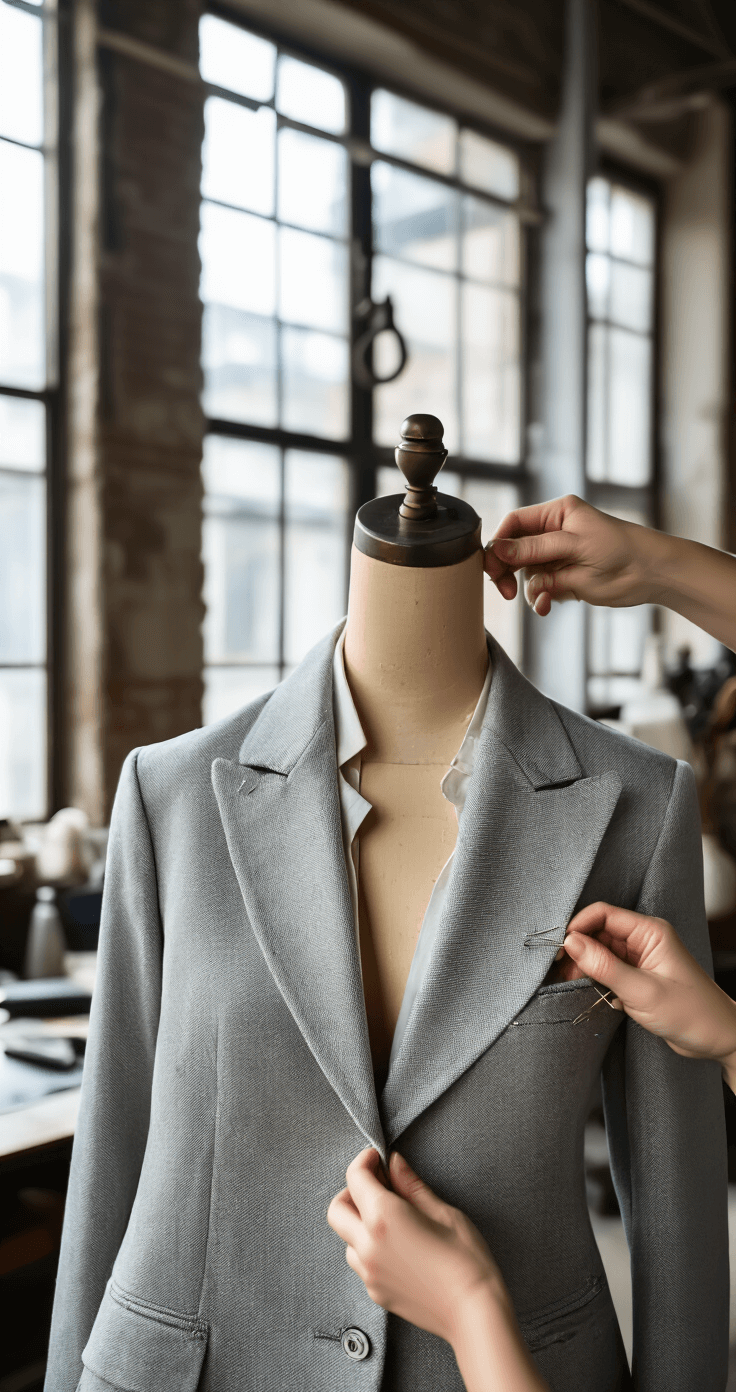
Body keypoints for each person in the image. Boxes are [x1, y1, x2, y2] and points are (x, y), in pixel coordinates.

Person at [327, 496, 736, 1392]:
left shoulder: (636, 800)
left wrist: (474, 1306)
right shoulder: (168, 792)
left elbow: (681, 1217)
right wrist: (664, 567)